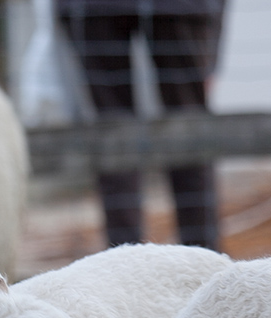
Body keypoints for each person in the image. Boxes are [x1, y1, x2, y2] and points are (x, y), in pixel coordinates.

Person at [58, 0, 226, 250]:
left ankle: (133, 265)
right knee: (177, 124)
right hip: (119, 9)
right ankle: (197, 260)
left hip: (99, 9)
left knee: (126, 127)